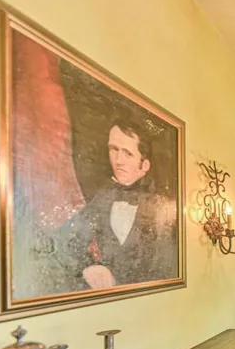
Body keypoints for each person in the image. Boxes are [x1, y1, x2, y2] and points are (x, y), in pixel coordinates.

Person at [55, 118, 177, 290]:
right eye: (114, 149)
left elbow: (166, 270)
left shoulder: (162, 207)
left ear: (145, 165)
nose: (118, 160)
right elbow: (64, 241)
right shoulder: (103, 199)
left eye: (128, 153)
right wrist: (89, 266)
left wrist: (119, 282)